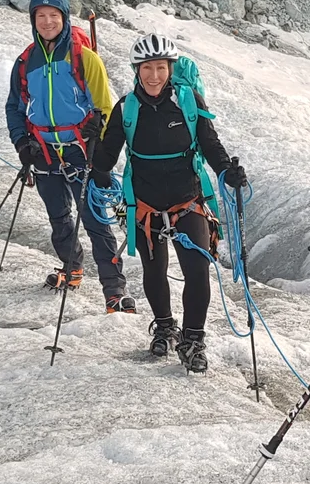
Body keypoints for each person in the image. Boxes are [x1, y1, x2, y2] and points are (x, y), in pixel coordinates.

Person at [89, 34, 246, 371]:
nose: (154, 76)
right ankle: (164, 326)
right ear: (137, 70)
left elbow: (210, 144)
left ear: (171, 70)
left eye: (161, 67)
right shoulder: (126, 109)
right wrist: (93, 139)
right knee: (154, 270)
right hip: (145, 206)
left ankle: (193, 339)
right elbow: (104, 160)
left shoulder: (189, 102)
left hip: (188, 201)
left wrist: (227, 171)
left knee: (197, 272)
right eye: (147, 68)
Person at [4, 0, 134, 312]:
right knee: (59, 217)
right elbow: (15, 108)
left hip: (80, 151)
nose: (47, 22)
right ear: (33, 19)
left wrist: (96, 138)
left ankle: (114, 290)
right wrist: (22, 143)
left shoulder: (83, 58)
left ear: (63, 17)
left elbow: (104, 106)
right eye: (41, 16)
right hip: (44, 151)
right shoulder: (24, 62)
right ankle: (72, 267)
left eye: (54, 15)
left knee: (93, 219)